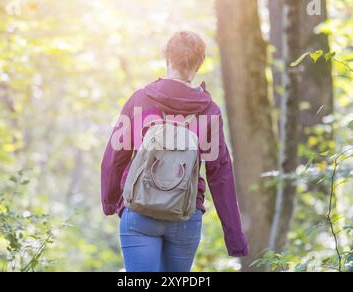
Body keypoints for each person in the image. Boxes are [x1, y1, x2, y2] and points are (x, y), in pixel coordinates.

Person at [101, 31, 248, 272]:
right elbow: (220, 175)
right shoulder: (209, 112)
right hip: (185, 214)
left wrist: (110, 201)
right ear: (199, 63)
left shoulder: (139, 101)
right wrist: (234, 238)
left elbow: (114, 157)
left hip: (139, 210)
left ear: (167, 57)